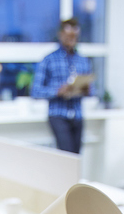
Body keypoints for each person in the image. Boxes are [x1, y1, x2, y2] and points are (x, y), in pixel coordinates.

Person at [31, 18, 92, 154]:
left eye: (74, 35)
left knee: (77, 157)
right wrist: (57, 91)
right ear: (61, 35)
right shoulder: (48, 60)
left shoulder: (83, 61)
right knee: (67, 156)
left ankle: (75, 176)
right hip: (58, 115)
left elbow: (91, 90)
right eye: (68, 35)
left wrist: (86, 90)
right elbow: (35, 91)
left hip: (77, 115)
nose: (72, 38)